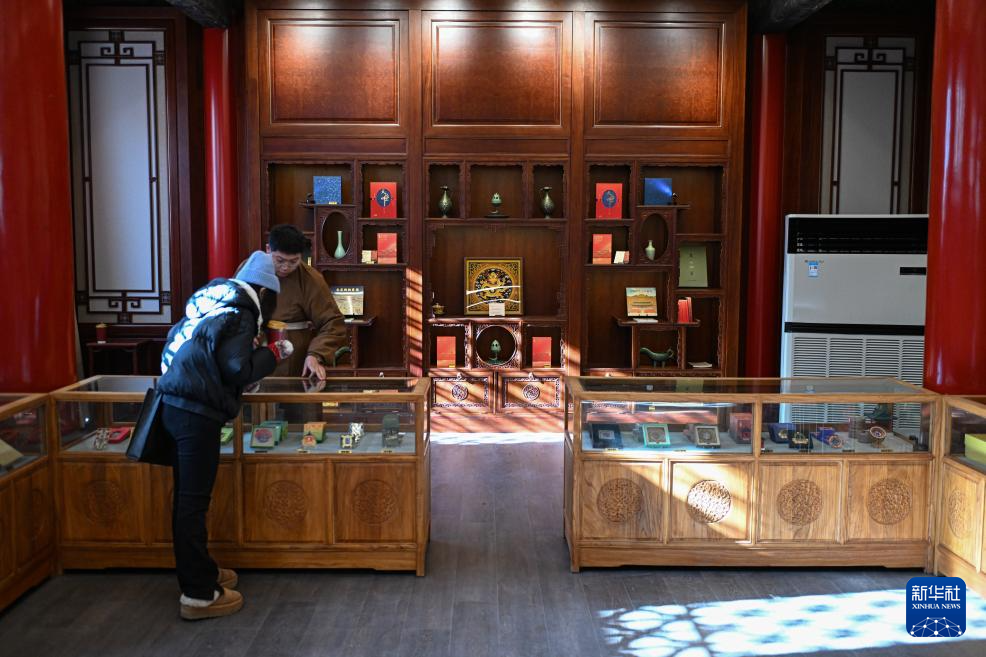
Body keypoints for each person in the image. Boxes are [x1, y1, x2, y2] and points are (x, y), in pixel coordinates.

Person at [157, 251, 294, 620]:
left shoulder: (211, 303)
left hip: (172, 406)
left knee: (186, 500)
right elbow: (237, 368)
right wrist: (274, 352)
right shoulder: (241, 313)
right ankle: (199, 594)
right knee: (192, 504)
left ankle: (201, 571)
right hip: (195, 415)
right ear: (263, 293)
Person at [264, 224, 347, 379]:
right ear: (268, 249)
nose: (285, 267)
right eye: (280, 260)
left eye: (293, 261)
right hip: (253, 353)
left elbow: (333, 323)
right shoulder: (249, 270)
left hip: (293, 357)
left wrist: (315, 355)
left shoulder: (310, 279)